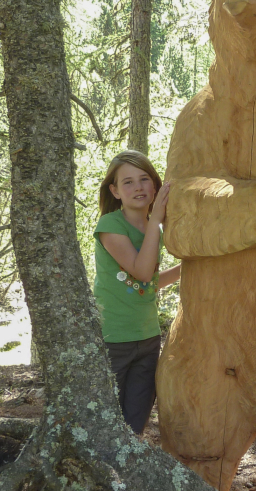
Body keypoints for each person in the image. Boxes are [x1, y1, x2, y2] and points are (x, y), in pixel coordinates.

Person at [93, 151, 181, 434]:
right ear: (115, 191)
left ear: (155, 187)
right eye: (128, 182)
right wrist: (156, 220)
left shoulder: (153, 228)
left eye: (145, 179)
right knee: (107, 422)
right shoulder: (110, 226)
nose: (139, 187)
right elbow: (141, 271)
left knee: (136, 422)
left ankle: (127, 476)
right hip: (114, 338)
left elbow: (149, 283)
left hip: (148, 338)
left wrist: (189, 268)